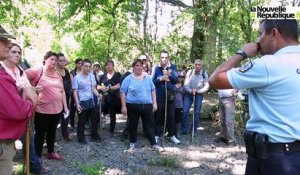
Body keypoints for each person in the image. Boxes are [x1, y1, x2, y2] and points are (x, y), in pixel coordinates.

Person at [208, 19, 300, 175]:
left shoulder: (267, 65)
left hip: (272, 159)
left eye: (260, 33)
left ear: (274, 33)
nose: (258, 40)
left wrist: (242, 53)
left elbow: (214, 80)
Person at [2, 43, 49, 174]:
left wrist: (33, 90)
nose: (17, 55)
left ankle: (34, 167)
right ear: (6, 53)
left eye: (19, 52)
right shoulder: (2, 71)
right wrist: (25, 91)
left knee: (29, 142)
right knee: (6, 146)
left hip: (25, 113)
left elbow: (27, 88)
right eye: (13, 52)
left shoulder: (21, 71)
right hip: (8, 116)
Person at [0, 25, 34, 175]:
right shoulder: (2, 75)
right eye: (3, 40)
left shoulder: (20, 71)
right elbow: (18, 111)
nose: (8, 44)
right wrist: (31, 100)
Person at [26, 51, 69, 161]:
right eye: (51, 59)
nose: (54, 62)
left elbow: (62, 91)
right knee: (40, 134)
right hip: (42, 110)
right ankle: (37, 158)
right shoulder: (38, 70)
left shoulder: (57, 74)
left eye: (55, 60)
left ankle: (51, 152)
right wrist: (31, 89)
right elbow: (21, 76)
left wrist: (65, 107)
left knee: (52, 132)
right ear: (45, 59)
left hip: (57, 109)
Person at [120, 59, 162, 150]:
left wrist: (155, 103)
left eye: (140, 65)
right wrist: (123, 106)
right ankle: (132, 142)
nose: (139, 67)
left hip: (147, 106)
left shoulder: (147, 78)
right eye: (137, 65)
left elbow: (153, 90)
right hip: (132, 106)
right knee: (133, 125)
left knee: (150, 126)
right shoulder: (128, 79)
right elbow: (122, 92)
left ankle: (153, 144)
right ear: (133, 67)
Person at [152, 50, 180, 144]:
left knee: (171, 115)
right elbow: (152, 82)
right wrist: (161, 79)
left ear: (168, 58)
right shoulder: (156, 68)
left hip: (170, 94)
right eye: (162, 57)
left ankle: (172, 135)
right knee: (158, 115)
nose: (164, 59)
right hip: (159, 95)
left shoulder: (172, 67)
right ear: (160, 58)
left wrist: (169, 74)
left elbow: (176, 80)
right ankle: (156, 135)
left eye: (166, 57)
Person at [73, 59, 102, 144]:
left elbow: (93, 88)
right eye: (86, 66)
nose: (88, 68)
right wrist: (77, 103)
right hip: (81, 102)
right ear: (82, 66)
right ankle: (81, 138)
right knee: (82, 121)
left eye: (89, 66)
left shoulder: (91, 76)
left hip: (91, 101)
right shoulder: (77, 78)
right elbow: (75, 91)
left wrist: (98, 95)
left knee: (94, 119)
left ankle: (94, 135)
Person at [181, 59, 209, 135]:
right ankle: (184, 129)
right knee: (185, 111)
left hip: (199, 94)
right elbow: (186, 84)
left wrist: (198, 91)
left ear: (201, 65)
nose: (197, 66)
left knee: (196, 112)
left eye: (199, 64)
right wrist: (190, 90)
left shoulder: (204, 73)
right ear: (194, 65)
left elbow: (206, 86)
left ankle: (194, 129)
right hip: (189, 93)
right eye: (196, 64)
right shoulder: (190, 72)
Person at [98, 60, 121, 137]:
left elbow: (119, 85)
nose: (109, 66)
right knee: (97, 109)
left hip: (114, 98)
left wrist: (109, 88)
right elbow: (97, 86)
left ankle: (111, 130)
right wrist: (102, 88)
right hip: (104, 97)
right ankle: (98, 126)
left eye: (110, 64)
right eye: (107, 64)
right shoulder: (103, 76)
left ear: (113, 66)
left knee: (112, 114)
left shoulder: (117, 74)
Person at [56, 52, 72, 141]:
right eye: (60, 61)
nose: (63, 62)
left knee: (66, 115)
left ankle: (65, 134)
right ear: (56, 61)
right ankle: (51, 135)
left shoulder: (66, 70)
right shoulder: (54, 70)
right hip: (57, 97)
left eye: (63, 60)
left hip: (67, 96)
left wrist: (63, 56)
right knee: (56, 116)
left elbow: (69, 61)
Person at [69, 58, 83, 128]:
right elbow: (73, 83)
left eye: (81, 63)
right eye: (78, 63)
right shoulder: (72, 72)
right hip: (74, 92)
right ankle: (71, 123)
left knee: (82, 108)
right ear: (76, 64)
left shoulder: (84, 72)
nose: (80, 65)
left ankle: (81, 124)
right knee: (73, 108)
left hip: (82, 93)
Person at [174, 71, 185, 138]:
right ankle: (171, 132)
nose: (180, 78)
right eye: (179, 77)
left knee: (179, 119)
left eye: (182, 77)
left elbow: (183, 94)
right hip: (173, 104)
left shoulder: (183, 87)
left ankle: (178, 133)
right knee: (172, 118)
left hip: (180, 105)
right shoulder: (173, 85)